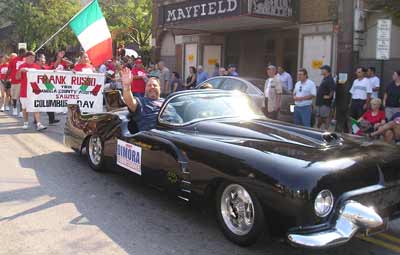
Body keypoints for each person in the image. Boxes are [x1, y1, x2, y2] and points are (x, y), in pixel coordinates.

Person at [121, 67, 164, 131]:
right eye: (149, 85)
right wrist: (126, 86)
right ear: (145, 89)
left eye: (155, 85)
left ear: (160, 89)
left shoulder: (166, 102)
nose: (152, 87)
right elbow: (130, 102)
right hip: (154, 135)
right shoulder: (142, 101)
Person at [16, 51, 47, 131]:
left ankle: (39, 124)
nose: (32, 59)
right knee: (24, 108)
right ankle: (25, 123)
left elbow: (44, 76)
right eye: (30, 57)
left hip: (34, 90)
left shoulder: (36, 66)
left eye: (33, 57)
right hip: (24, 91)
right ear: (26, 58)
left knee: (36, 107)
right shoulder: (22, 66)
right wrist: (20, 71)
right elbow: (17, 78)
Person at [36, 54, 60, 125]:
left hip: (47, 87)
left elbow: (54, 66)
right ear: (37, 61)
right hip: (38, 89)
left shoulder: (45, 67)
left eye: (44, 61)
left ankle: (51, 119)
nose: (43, 62)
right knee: (38, 104)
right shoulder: (34, 68)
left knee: (49, 103)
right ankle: (36, 120)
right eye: (42, 61)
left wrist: (59, 58)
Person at [315, 65, 336, 130]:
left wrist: (329, 96)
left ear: (326, 71)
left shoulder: (330, 79)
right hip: (320, 102)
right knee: (320, 116)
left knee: (324, 117)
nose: (321, 71)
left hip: (325, 103)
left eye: (322, 69)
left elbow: (332, 89)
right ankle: (320, 129)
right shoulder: (325, 78)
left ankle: (324, 130)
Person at [8, 48, 26, 116]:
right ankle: (15, 108)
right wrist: (7, 78)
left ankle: (21, 111)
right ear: (21, 53)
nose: (25, 55)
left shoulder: (25, 60)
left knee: (21, 97)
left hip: (23, 81)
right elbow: (9, 70)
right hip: (14, 81)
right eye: (24, 53)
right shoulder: (13, 60)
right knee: (14, 97)